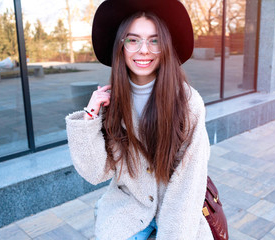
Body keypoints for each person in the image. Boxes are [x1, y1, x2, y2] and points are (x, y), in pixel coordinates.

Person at [65, 0, 213, 239]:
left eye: (154, 40)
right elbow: (95, 173)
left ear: (165, 46)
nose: (144, 50)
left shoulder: (187, 102)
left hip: (177, 212)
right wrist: (90, 116)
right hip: (128, 211)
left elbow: (189, 184)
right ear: (121, 47)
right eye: (133, 40)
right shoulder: (111, 104)